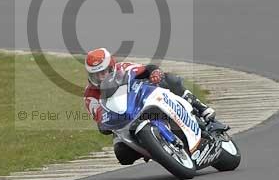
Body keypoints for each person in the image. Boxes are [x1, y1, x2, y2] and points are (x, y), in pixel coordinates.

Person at [83, 47, 215, 134]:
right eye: (96, 75)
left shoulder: (124, 68)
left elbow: (147, 69)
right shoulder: (90, 95)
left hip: (141, 102)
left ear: (112, 67)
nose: (101, 77)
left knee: (169, 79)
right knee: (122, 154)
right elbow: (99, 120)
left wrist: (154, 73)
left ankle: (201, 108)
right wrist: (103, 121)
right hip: (124, 123)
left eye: (104, 72)